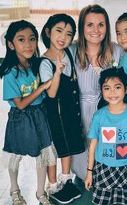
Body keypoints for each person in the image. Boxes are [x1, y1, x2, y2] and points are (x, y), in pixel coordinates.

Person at [0, 20, 57, 205]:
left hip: (39, 115)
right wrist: (41, 88)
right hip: (20, 118)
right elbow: (21, 104)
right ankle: (15, 191)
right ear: (11, 44)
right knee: (15, 156)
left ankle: (41, 193)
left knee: (42, 155)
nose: (28, 44)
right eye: (21, 39)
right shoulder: (10, 73)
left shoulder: (36, 65)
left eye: (32, 39)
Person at [69, 4, 123, 181]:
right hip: (80, 110)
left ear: (107, 27)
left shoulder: (116, 51)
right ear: (82, 27)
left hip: (108, 110)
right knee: (84, 148)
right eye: (90, 24)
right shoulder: (72, 51)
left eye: (101, 24)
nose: (96, 30)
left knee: (108, 147)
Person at [39, 14, 85, 204]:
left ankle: (66, 180)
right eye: (59, 31)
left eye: (69, 34)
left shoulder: (68, 52)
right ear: (48, 32)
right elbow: (51, 93)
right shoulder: (45, 62)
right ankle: (55, 185)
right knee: (60, 149)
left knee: (70, 147)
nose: (63, 37)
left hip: (70, 113)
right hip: (56, 115)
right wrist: (57, 71)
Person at [85, 67, 127, 205]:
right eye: (107, 88)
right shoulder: (99, 116)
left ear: (126, 89)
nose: (112, 92)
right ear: (101, 91)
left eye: (117, 87)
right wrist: (89, 172)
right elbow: (93, 145)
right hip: (103, 169)